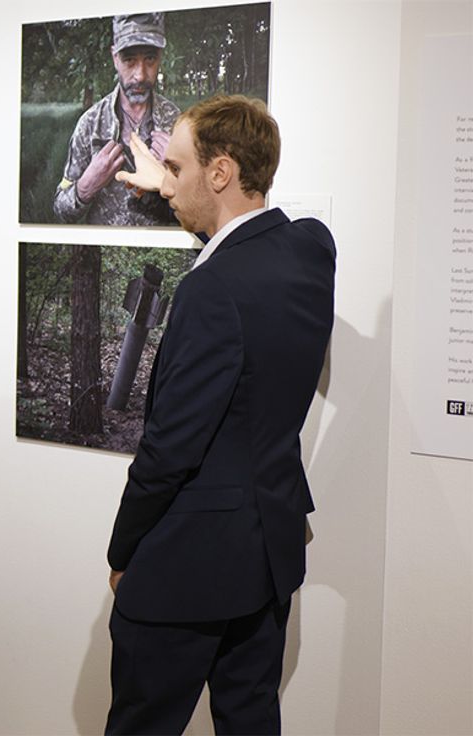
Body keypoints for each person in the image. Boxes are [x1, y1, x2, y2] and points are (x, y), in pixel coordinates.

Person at [104, 95, 336, 734]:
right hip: (267, 554)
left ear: (221, 172)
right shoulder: (311, 250)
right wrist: (169, 187)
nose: (166, 183)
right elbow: (242, 239)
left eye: (175, 169)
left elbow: (169, 450)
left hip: (188, 564)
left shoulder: (210, 291)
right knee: (250, 720)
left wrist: (123, 551)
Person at [53, 13, 180, 226]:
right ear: (115, 58)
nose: (140, 75)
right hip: (106, 257)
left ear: (160, 57)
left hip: (165, 257)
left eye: (150, 58)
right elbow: (61, 211)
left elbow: (203, 210)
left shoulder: (178, 124)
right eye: (129, 59)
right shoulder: (90, 125)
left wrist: (179, 172)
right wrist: (85, 186)